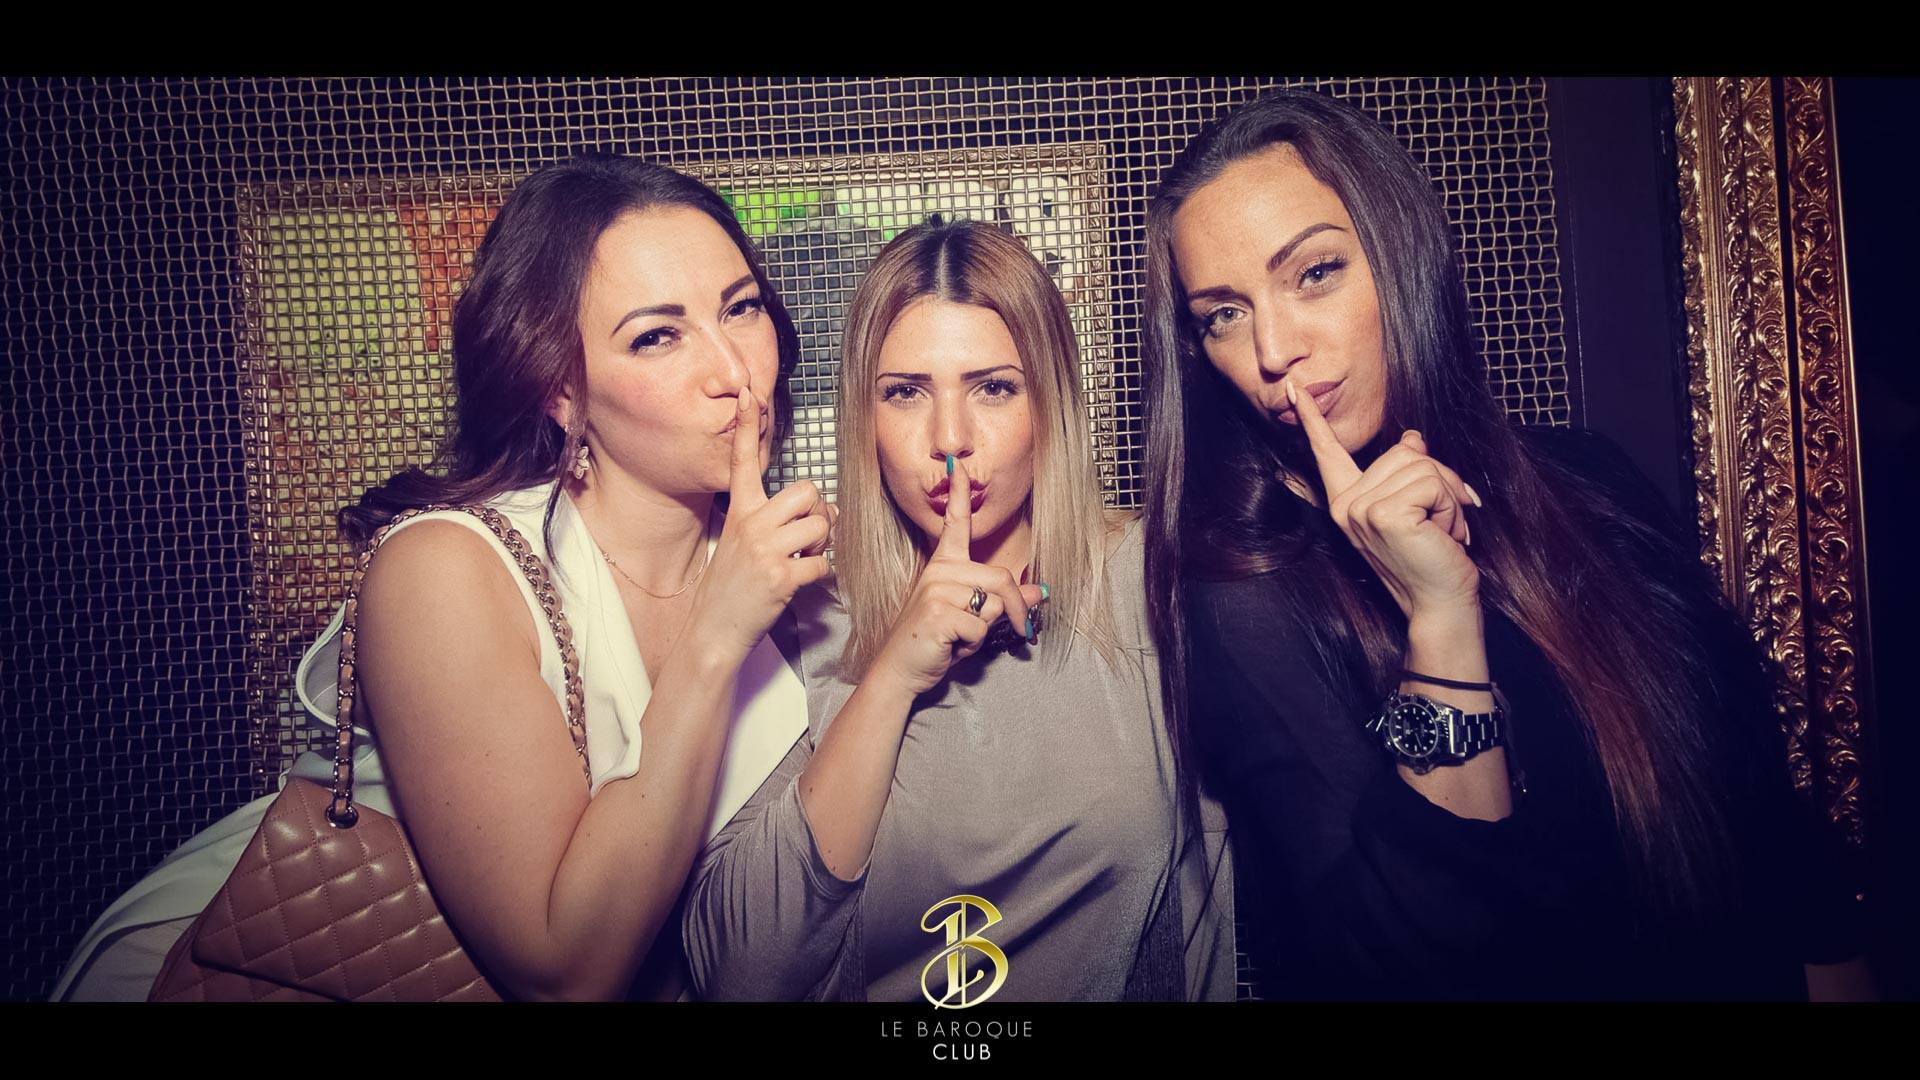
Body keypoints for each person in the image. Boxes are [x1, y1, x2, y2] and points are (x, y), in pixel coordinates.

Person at [1140, 89, 1873, 1000]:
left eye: (1315, 272)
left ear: (1400, 253)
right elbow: (1408, 971)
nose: (1273, 348)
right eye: (1223, 313)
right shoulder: (1246, 588)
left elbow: (1773, 837)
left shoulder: (1588, 478)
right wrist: (1441, 621)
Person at [52, 154, 832, 1002]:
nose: (734, 374)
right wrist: (715, 637)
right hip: (249, 968)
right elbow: (563, 973)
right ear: (559, 389)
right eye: (656, 335)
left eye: (741, 308)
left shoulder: (776, 569)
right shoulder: (444, 568)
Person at [683, 219, 1235, 1002]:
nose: (950, 440)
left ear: (1051, 400)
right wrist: (890, 679)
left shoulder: (1159, 582)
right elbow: (736, 974)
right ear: (864, 416)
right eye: (905, 392)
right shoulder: (802, 616)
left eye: (994, 387)